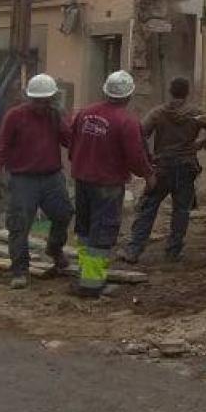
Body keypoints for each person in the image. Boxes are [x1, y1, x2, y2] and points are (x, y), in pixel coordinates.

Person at [68, 70, 155, 297]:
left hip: (82, 179)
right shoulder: (127, 121)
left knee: (85, 229)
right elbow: (135, 156)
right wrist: (148, 174)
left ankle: (85, 274)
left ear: (105, 90)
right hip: (107, 184)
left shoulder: (84, 114)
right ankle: (92, 284)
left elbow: (72, 141)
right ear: (129, 95)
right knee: (102, 232)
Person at [119, 76, 206, 263]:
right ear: (187, 92)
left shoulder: (158, 113)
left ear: (170, 91)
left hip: (162, 167)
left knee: (148, 208)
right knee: (181, 210)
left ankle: (134, 249)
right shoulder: (196, 113)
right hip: (186, 167)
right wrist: (202, 144)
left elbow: (139, 133)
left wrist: (148, 156)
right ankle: (173, 252)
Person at [0, 73, 73, 290]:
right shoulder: (15, 116)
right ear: (29, 98)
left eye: (45, 101)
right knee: (19, 225)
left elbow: (69, 140)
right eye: (37, 101)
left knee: (63, 214)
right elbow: (1, 145)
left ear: (52, 99)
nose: (41, 106)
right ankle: (20, 270)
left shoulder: (54, 116)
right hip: (23, 179)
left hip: (52, 177)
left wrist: (63, 119)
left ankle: (54, 249)